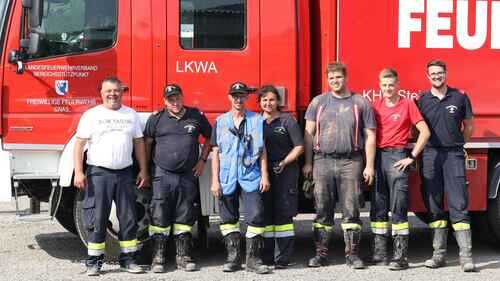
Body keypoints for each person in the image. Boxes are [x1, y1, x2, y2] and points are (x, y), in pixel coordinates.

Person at [303, 62, 376, 269]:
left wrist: (369, 165)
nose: (335, 81)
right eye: (331, 78)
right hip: (322, 161)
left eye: (338, 77)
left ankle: (352, 255)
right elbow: (309, 135)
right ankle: (321, 254)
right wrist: (308, 163)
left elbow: (370, 136)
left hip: (351, 162)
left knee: (351, 209)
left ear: (346, 78)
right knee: (322, 208)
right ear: (328, 80)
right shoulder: (318, 102)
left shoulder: (360, 102)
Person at [73, 76, 148, 276]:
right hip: (99, 173)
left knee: (129, 218)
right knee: (97, 218)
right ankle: (94, 262)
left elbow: (139, 143)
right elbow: (79, 144)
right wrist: (79, 171)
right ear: (101, 93)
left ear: (122, 92)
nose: (113, 94)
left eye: (116, 91)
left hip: (124, 173)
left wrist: (144, 169)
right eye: (109, 91)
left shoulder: (131, 114)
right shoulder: (91, 115)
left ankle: (128, 260)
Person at [144, 84, 212, 273]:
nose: (174, 102)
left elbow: (210, 137)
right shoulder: (156, 118)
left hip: (187, 175)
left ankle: (183, 256)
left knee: (185, 215)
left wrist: (202, 160)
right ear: (165, 101)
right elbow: (147, 143)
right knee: (159, 215)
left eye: (177, 98)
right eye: (170, 99)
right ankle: (158, 258)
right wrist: (146, 170)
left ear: (182, 97)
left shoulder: (195, 115)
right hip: (162, 174)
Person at [368, 68, 430, 270]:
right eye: (384, 85)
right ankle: (380, 254)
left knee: (399, 206)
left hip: (398, 157)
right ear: (380, 86)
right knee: (378, 205)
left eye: (391, 85)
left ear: (398, 85)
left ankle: (400, 257)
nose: (388, 88)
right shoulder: (375, 106)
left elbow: (425, 132)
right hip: (378, 157)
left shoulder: (407, 104)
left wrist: (411, 157)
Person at [417, 59, 475, 272]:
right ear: (427, 76)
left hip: (453, 155)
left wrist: (458, 143)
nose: (436, 76)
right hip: (431, 155)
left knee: (459, 204)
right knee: (434, 205)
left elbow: (469, 126)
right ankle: (438, 254)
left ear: (446, 73)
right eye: (433, 73)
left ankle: (466, 257)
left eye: (440, 73)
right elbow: (417, 129)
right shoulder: (422, 99)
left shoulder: (460, 97)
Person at [210, 82, 271, 274]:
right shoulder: (220, 122)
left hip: (250, 176)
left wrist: (265, 175)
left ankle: (253, 260)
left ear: (246, 98)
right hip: (227, 177)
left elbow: (262, 151)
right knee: (228, 218)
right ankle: (233, 258)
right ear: (229, 97)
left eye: (242, 95)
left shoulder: (257, 120)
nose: (238, 99)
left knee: (256, 215)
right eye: (235, 95)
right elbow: (215, 152)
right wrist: (214, 180)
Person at [258, 85, 304, 269]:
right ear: (260, 102)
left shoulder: (287, 121)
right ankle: (268, 256)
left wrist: (284, 162)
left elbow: (299, 146)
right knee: (266, 214)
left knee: (283, 214)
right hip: (263, 172)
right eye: (264, 100)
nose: (268, 103)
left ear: (278, 101)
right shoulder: (255, 121)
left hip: (285, 170)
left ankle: (282, 258)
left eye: (271, 100)